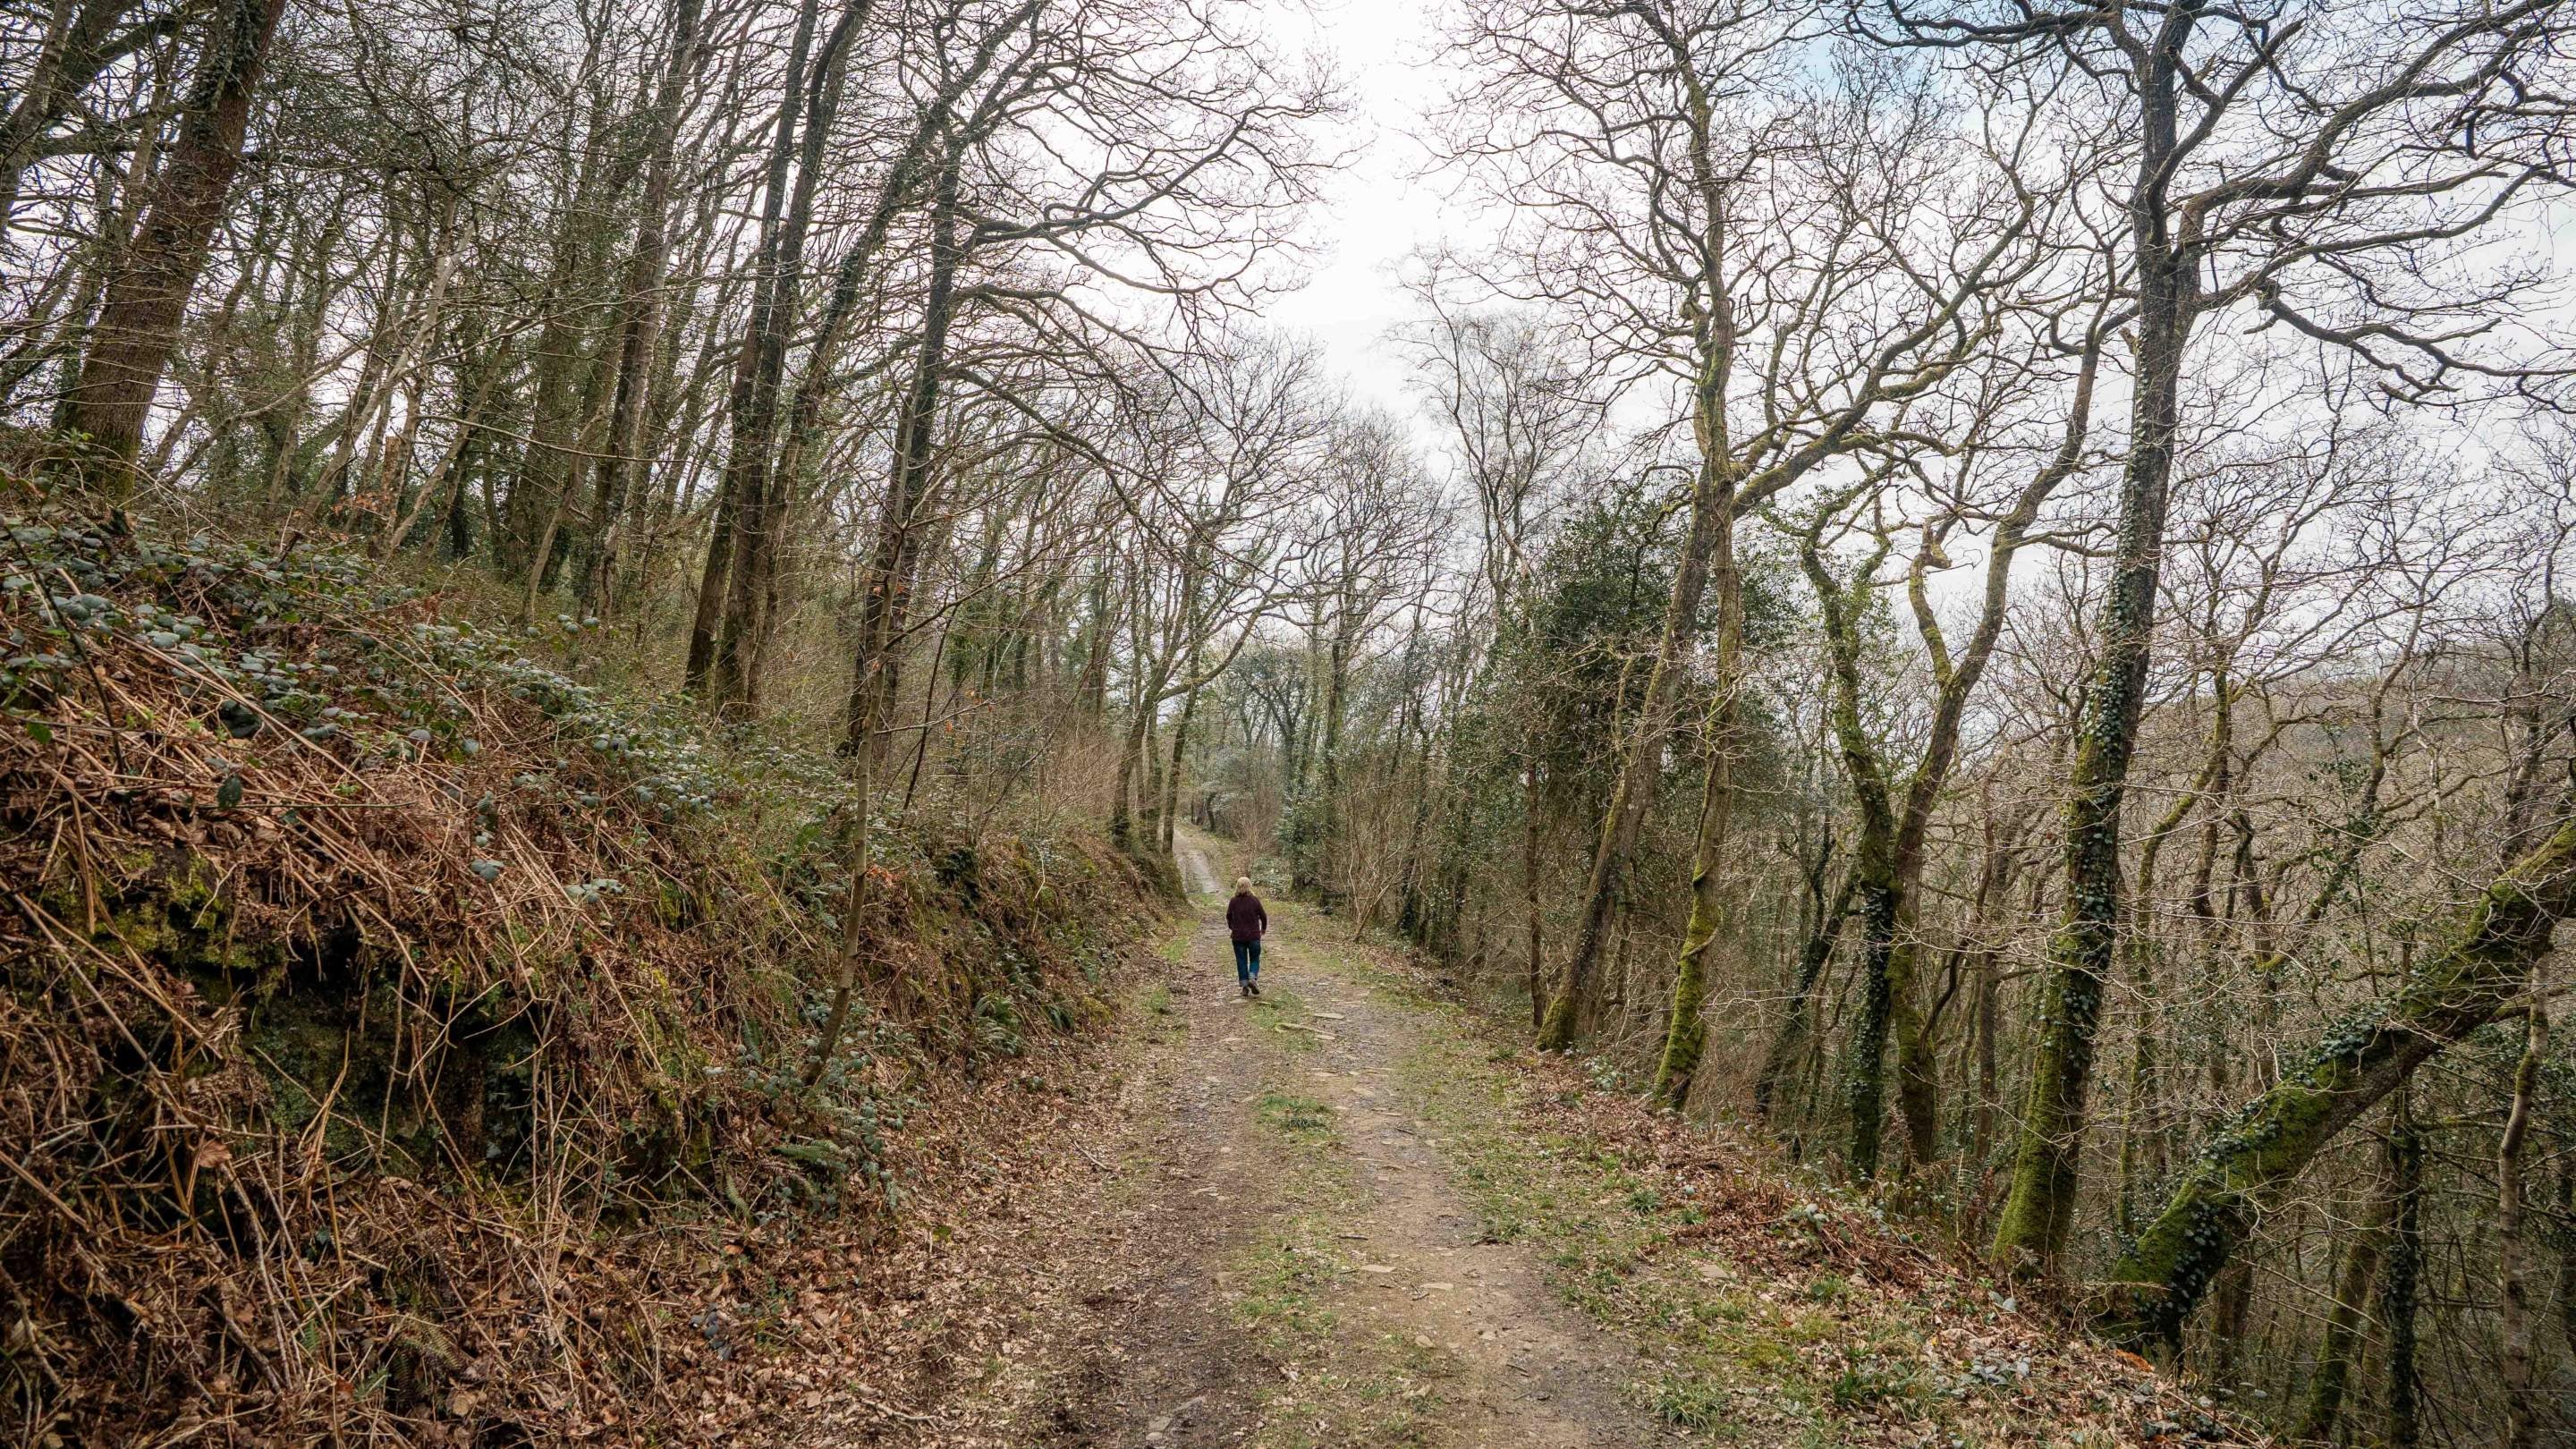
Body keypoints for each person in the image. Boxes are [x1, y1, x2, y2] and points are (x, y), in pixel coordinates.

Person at [1225, 876, 1267, 998]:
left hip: (1238, 937)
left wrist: (1232, 928)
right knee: (1255, 958)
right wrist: (1263, 929)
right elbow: (1263, 916)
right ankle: (1252, 977)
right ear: (1250, 886)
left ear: (1237, 887)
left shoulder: (1233, 901)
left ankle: (1244, 987)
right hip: (1254, 936)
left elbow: (1228, 916)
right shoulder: (1254, 900)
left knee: (1241, 960)